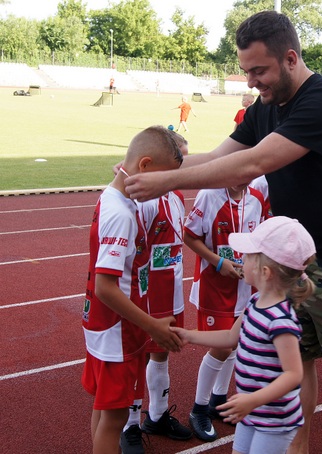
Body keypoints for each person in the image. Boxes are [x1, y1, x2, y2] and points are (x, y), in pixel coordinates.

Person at [124, 11, 322, 454]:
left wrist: (165, 182)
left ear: (290, 59)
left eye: (259, 71)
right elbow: (214, 158)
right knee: (297, 359)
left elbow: (254, 164)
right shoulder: (264, 108)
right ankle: (297, 446)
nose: (252, 82)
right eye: (247, 71)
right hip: (293, 256)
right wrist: (140, 168)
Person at [172, 216, 316, 454]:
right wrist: (189, 336)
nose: (240, 259)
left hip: (274, 420)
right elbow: (230, 337)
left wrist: (252, 400)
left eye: (248, 256)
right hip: (252, 409)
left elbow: (293, 374)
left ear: (265, 271)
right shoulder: (254, 301)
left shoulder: (281, 320)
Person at [82, 126, 184, 454]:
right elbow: (105, 287)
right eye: (163, 179)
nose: (165, 189)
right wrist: (152, 325)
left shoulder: (118, 198)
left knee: (104, 409)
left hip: (112, 327)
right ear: (144, 166)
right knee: (113, 420)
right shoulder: (121, 212)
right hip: (117, 331)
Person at [120, 133, 192, 450]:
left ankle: (158, 415)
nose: (181, 168)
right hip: (146, 291)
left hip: (172, 286)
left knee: (162, 352)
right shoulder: (142, 200)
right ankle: (130, 425)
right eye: (177, 162)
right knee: (137, 356)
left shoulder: (174, 194)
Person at [183, 179, 267, 442]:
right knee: (221, 346)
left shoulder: (255, 196)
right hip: (215, 283)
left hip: (244, 284)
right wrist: (219, 263)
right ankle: (199, 408)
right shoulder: (209, 195)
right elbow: (189, 236)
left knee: (236, 342)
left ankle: (218, 399)